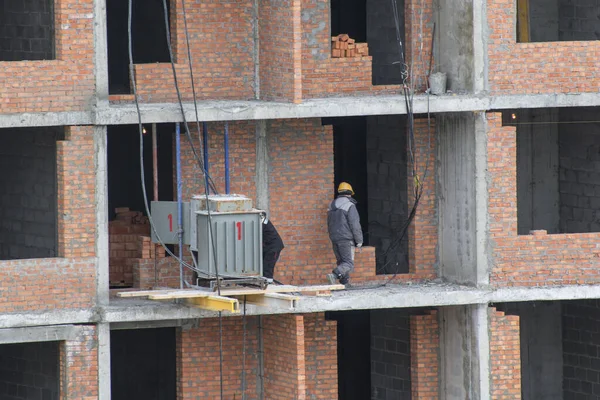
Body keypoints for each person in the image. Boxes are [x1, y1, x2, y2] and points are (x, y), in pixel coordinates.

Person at [326, 182, 363, 287]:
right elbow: (355, 224)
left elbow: (328, 223)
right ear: (350, 193)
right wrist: (359, 240)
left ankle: (344, 283)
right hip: (346, 239)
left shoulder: (331, 205)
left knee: (341, 262)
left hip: (334, 237)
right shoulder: (350, 205)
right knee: (348, 263)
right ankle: (334, 275)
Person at [261, 212, 284, 284]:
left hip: (273, 247)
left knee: (268, 265)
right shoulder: (264, 222)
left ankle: (268, 283)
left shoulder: (263, 224)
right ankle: (265, 281)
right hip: (268, 247)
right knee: (263, 264)